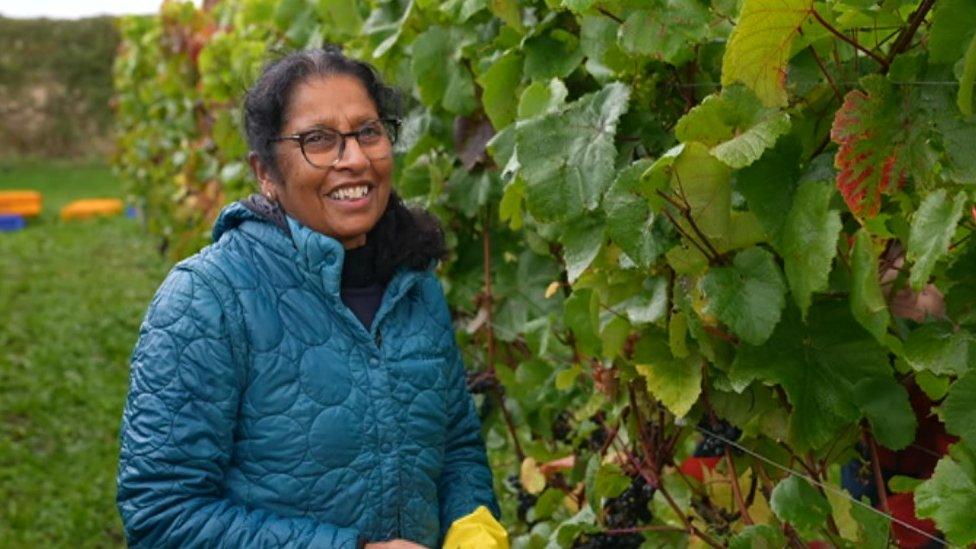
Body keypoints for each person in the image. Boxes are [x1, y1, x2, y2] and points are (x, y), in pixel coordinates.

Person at [116, 47, 507, 549]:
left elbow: (455, 449)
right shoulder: (207, 299)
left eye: (368, 132)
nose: (355, 158)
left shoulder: (414, 284)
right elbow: (162, 516)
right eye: (318, 140)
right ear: (265, 172)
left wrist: (471, 521)